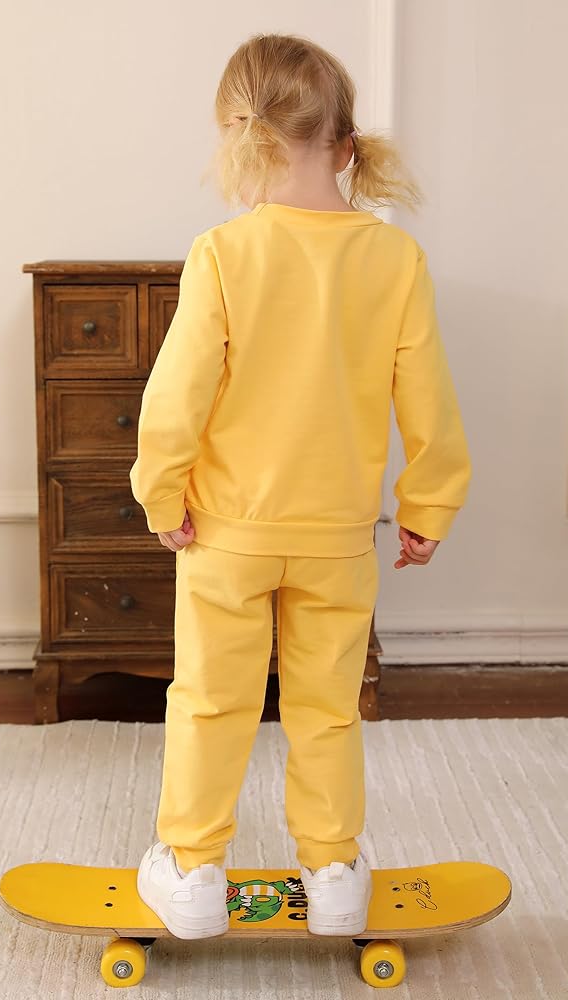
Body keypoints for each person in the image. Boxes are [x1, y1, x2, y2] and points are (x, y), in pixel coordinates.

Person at [129, 31, 472, 941]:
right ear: (347, 146)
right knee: (326, 710)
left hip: (224, 537)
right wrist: (429, 506)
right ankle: (333, 872)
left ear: (239, 143)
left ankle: (192, 873)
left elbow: (176, 395)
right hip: (336, 541)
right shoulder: (394, 260)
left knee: (211, 701)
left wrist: (161, 494)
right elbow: (428, 400)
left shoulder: (222, 253)